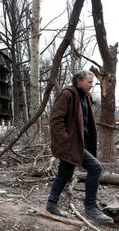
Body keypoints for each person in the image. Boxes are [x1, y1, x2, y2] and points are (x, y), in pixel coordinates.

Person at [45, 70, 113, 224]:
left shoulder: (85, 97)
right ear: (78, 81)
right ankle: (90, 208)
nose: (92, 84)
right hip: (71, 144)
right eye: (89, 81)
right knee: (95, 168)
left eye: (92, 81)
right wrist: (66, 141)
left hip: (78, 143)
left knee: (64, 173)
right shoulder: (67, 94)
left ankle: (51, 204)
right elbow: (56, 120)